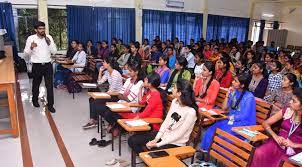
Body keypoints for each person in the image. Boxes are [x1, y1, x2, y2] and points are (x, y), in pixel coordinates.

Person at [128, 79, 198, 154]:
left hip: (176, 143)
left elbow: (179, 135)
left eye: (174, 88)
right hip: (164, 136)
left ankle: (149, 158)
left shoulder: (191, 112)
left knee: (152, 153)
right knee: (132, 140)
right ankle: (146, 158)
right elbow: (166, 121)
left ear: (179, 93)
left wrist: (157, 144)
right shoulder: (175, 102)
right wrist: (156, 139)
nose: (172, 90)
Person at [200, 73, 256, 152]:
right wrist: (227, 95)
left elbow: (244, 115)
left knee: (225, 134)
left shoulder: (249, 97)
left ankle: (221, 158)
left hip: (243, 123)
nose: (232, 82)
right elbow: (224, 108)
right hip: (230, 120)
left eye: (235, 81)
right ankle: (205, 152)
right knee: (211, 129)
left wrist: (229, 117)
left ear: (242, 85)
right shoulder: (234, 92)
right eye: (233, 80)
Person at [251, 88, 302, 167]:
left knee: (280, 163)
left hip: (296, 148)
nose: (290, 102)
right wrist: (275, 136)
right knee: (259, 152)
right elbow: (266, 123)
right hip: (279, 142)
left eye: (294, 101)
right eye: (291, 99)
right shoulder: (287, 111)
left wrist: (294, 145)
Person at [101, 63, 144, 136]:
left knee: (110, 113)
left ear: (136, 72)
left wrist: (123, 96)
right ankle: (116, 126)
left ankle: (117, 127)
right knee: (106, 111)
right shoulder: (128, 80)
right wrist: (123, 96)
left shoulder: (140, 83)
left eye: (130, 71)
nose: (128, 73)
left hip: (131, 107)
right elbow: (120, 94)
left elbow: (129, 99)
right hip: (122, 103)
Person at [82, 56, 125, 129]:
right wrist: (100, 72)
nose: (102, 63)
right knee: (91, 99)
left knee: (96, 101)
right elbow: (99, 82)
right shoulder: (108, 72)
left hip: (116, 96)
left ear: (109, 64)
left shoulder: (115, 74)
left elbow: (112, 90)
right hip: (110, 94)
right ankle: (93, 120)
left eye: (104, 62)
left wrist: (101, 95)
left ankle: (94, 121)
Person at [24, 21, 57, 113]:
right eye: (40, 29)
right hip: (37, 66)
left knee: (49, 86)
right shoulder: (31, 38)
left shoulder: (49, 37)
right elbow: (26, 54)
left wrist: (49, 43)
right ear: (36, 30)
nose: (42, 30)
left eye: (43, 28)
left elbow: (54, 51)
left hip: (47, 65)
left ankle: (50, 105)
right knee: (36, 84)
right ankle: (35, 100)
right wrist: (31, 47)